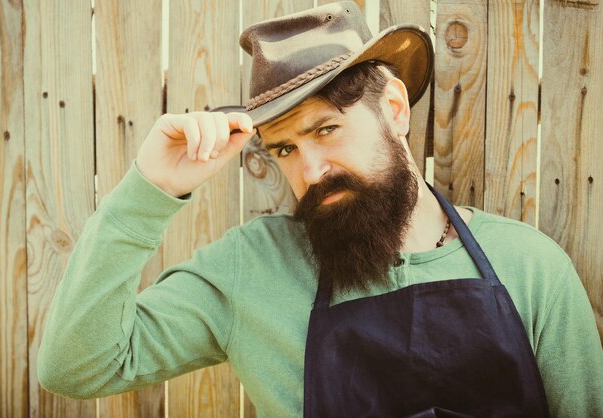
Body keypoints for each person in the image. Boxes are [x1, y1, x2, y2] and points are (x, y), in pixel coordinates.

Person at [37, 2, 603, 417]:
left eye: (326, 129)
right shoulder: (253, 268)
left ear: (396, 108)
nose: (309, 171)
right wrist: (148, 190)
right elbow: (76, 365)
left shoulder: (529, 267)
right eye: (284, 148)